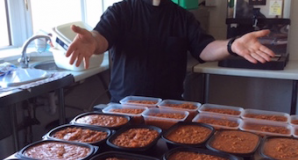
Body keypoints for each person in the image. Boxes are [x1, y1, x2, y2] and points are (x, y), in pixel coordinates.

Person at [66, 0, 275, 103]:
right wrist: (91, 42)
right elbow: (101, 38)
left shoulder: (182, 17)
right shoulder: (120, 11)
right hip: (124, 108)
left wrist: (232, 45)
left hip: (169, 109)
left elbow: (204, 48)